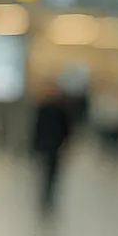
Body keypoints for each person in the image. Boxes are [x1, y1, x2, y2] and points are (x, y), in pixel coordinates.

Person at [29, 84, 72, 217]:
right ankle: (47, 196)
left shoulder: (49, 108)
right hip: (53, 144)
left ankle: (46, 196)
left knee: (47, 172)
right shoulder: (58, 108)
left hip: (49, 144)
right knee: (49, 172)